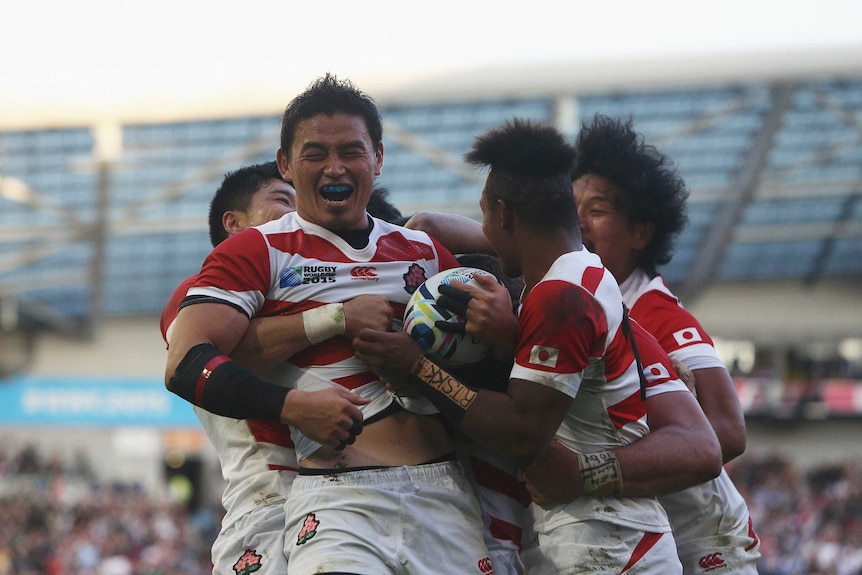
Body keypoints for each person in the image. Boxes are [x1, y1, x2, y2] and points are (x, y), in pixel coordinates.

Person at [354, 118, 723, 574]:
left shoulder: (560, 300)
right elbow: (431, 225)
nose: (483, 226)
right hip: (613, 542)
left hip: (609, 549)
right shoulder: (582, 276)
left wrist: (419, 369)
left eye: (485, 212)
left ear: (504, 215)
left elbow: (523, 434)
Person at [164, 73, 492, 575]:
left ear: (378, 159)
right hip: (339, 503)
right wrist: (292, 405)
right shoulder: (258, 249)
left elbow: (490, 348)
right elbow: (186, 362)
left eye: (350, 151)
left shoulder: (424, 253)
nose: (333, 167)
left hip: (446, 496)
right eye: (315, 153)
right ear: (286, 165)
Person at [162, 161, 395, 574]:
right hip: (269, 501)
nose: (298, 214)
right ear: (233, 224)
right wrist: (336, 317)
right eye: (283, 200)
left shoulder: (308, 285)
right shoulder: (200, 291)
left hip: (348, 495)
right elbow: (196, 357)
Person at [566, 114, 761, 574]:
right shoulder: (582, 304)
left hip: (707, 544)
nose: (579, 227)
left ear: (641, 233)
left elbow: (728, 432)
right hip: (652, 537)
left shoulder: (657, 314)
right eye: (570, 213)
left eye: (596, 211)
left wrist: (597, 467)